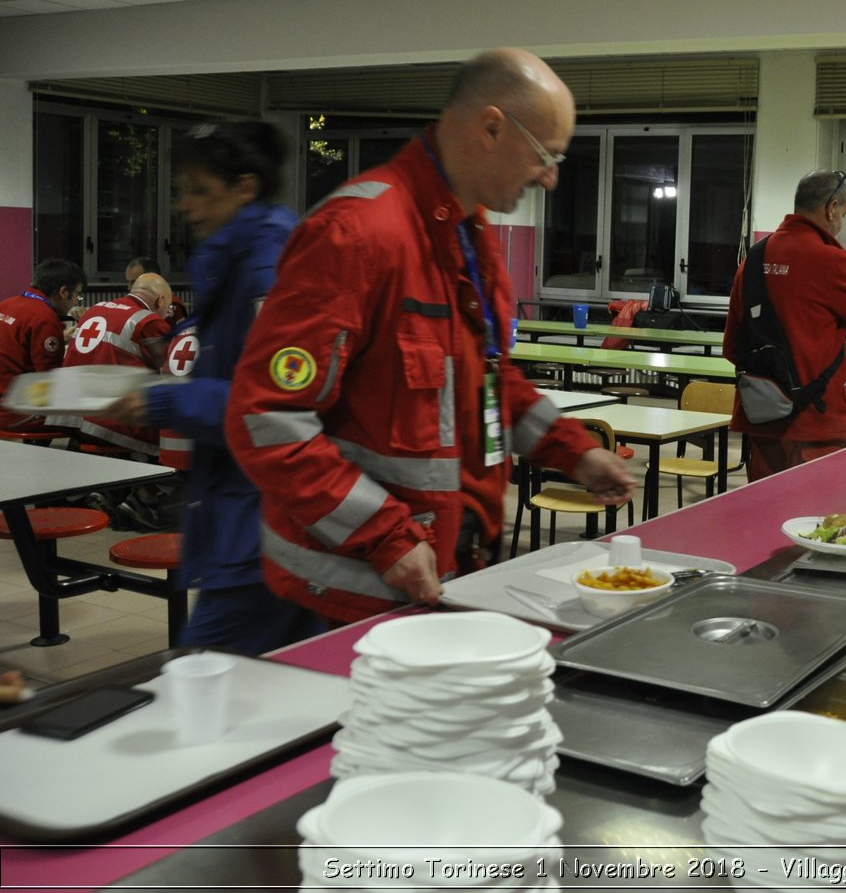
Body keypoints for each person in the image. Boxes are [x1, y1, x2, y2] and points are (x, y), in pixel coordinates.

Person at [226, 48, 634, 625]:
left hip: (440, 569)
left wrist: (575, 451)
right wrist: (384, 536)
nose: (550, 176)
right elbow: (267, 420)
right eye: (547, 154)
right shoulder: (357, 234)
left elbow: (487, 381)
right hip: (345, 594)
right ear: (491, 127)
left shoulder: (471, 237)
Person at [103, 121, 321, 654]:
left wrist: (162, 398)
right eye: (183, 190)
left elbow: (280, 404)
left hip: (265, 523)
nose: (185, 205)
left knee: (204, 679)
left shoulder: (268, 268)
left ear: (244, 187)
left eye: (200, 190)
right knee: (289, 685)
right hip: (253, 513)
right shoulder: (240, 261)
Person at [723, 170, 846, 481]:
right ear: (832, 208)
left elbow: (732, 346)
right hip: (815, 420)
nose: (841, 223)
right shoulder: (830, 259)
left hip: (760, 415)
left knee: (763, 516)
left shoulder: (752, 260)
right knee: (815, 523)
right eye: (844, 213)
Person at [63, 271, 173, 457]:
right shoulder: (148, 321)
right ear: (160, 300)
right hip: (111, 421)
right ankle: (150, 484)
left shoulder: (94, 309)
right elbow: (171, 370)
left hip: (68, 415)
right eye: (168, 309)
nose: (166, 314)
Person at [0, 258, 84, 434]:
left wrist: (59, 339)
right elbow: (49, 379)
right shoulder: (45, 318)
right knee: (93, 419)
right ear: (63, 292)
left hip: (6, 403)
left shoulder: (7, 304)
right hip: (15, 412)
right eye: (77, 294)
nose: (75, 301)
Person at [125, 255, 189, 324]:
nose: (129, 288)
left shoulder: (170, 306)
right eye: (128, 281)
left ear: (153, 278)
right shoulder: (131, 303)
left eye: (134, 282)